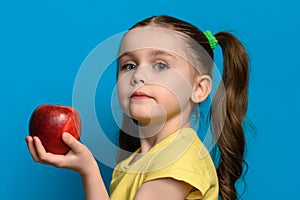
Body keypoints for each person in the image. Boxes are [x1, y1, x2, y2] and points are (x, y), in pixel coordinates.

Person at [26, 15, 250, 200]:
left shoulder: (179, 158)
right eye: (129, 65)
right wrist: (87, 169)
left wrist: (90, 169)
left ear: (199, 89)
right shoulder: (132, 163)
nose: (138, 76)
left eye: (161, 65)